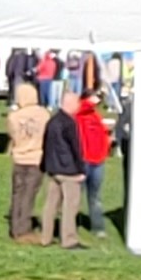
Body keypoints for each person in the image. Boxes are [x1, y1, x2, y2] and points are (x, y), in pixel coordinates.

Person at [40, 91, 88, 248]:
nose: (79, 106)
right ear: (70, 104)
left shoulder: (52, 121)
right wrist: (81, 170)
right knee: (70, 205)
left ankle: (45, 237)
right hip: (69, 170)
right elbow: (75, 148)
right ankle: (69, 239)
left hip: (53, 168)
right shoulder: (69, 123)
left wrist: (45, 165)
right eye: (77, 103)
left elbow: (45, 145)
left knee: (50, 204)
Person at [6, 82, 50, 242]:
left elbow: (13, 136)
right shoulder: (44, 114)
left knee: (17, 193)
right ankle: (23, 229)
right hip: (36, 159)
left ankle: (14, 225)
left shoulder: (13, 117)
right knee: (29, 195)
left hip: (19, 158)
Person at [76, 89, 115, 236]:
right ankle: (72, 224)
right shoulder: (79, 113)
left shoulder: (95, 116)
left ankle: (98, 227)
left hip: (98, 161)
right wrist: (96, 97)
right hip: (84, 160)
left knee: (95, 196)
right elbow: (84, 106)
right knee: (76, 195)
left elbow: (102, 135)